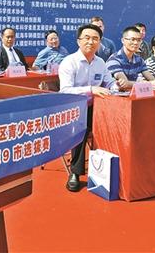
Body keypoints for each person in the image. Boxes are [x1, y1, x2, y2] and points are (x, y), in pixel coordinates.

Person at [58, 24, 118, 192]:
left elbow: (109, 81)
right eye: (87, 38)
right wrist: (91, 89)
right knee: (81, 129)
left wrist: (115, 86)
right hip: (73, 109)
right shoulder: (69, 62)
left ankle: (107, 169)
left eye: (95, 39)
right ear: (79, 41)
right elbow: (65, 91)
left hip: (96, 108)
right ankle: (75, 173)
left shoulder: (100, 63)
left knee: (114, 126)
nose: (91, 42)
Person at [106, 26, 155, 90]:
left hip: (134, 94)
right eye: (132, 39)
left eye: (139, 40)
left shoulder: (139, 60)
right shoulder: (114, 60)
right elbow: (125, 84)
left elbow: (151, 79)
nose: (136, 43)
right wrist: (146, 84)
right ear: (123, 40)